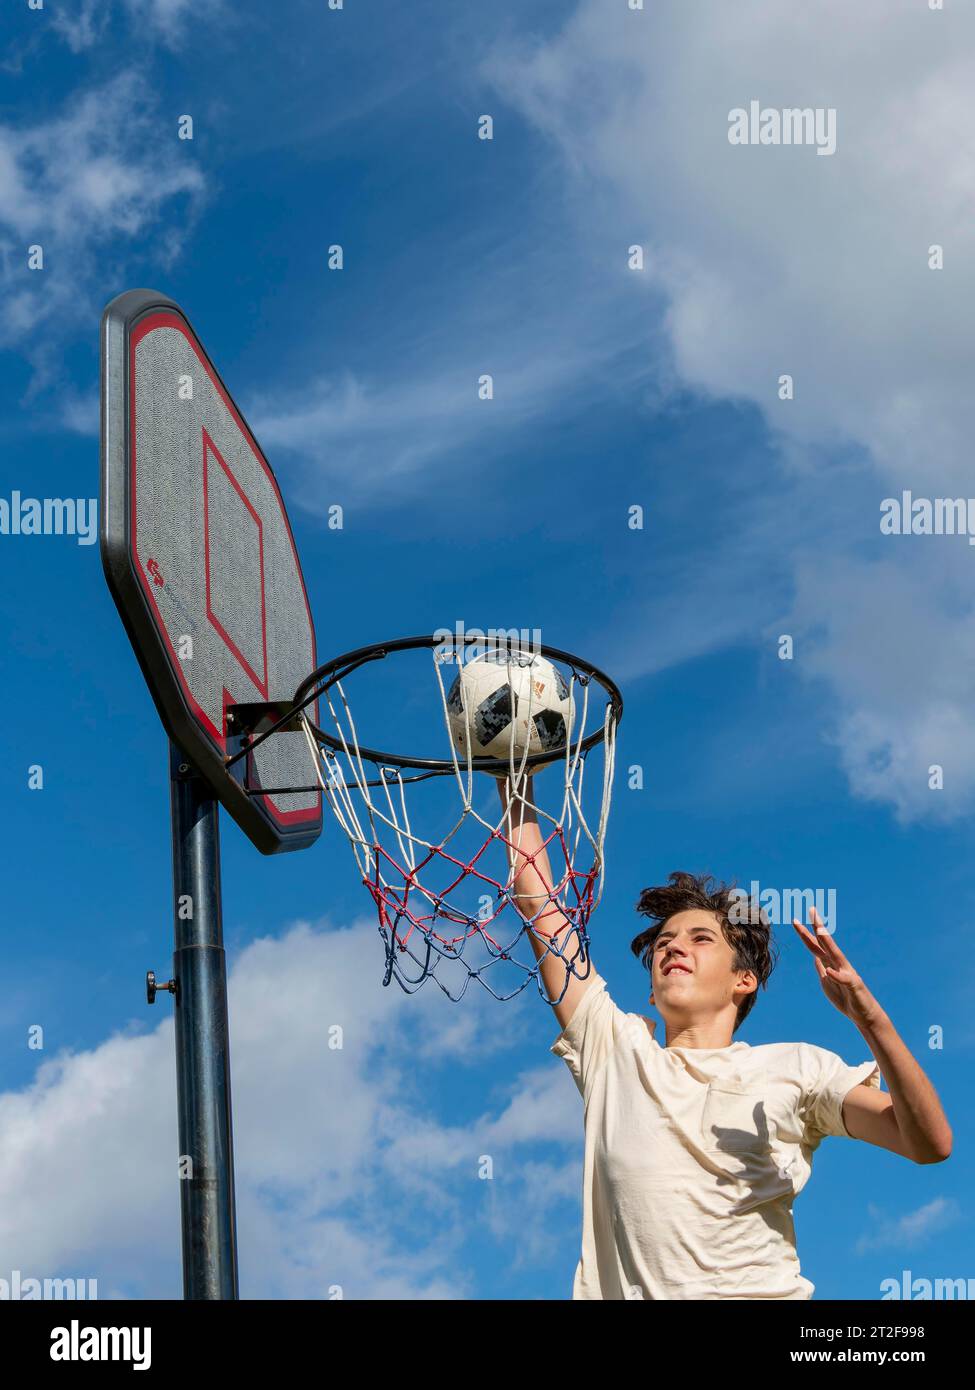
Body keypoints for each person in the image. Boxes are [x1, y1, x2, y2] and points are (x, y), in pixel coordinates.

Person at [496, 775, 953, 1300]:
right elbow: (541, 909)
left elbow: (928, 1143)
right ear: (650, 991)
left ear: (744, 980)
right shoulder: (614, 1049)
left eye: (700, 938)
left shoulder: (798, 1068)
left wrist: (872, 1021)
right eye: (664, 942)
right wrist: (515, 777)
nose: (673, 948)